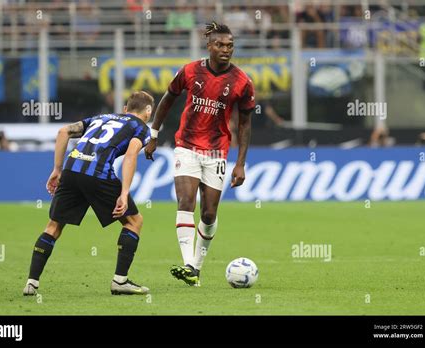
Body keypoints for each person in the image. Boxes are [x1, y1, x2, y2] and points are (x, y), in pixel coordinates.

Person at [144, 22, 255, 287]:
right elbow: (167, 99)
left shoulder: (242, 81)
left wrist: (240, 164)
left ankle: (197, 266)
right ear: (209, 46)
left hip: (218, 151)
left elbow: (245, 123)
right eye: (220, 44)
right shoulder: (190, 71)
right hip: (187, 145)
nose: (226, 50)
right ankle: (189, 266)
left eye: (230, 45)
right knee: (185, 202)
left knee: (208, 214)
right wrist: (154, 134)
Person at [23, 91, 154, 296]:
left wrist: (57, 170)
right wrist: (125, 192)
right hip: (98, 174)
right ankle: (120, 281)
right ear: (148, 111)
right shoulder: (142, 128)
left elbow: (63, 132)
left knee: (54, 226)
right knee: (134, 221)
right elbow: (130, 156)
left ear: (125, 109)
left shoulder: (101, 117)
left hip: (71, 169)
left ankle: (31, 282)